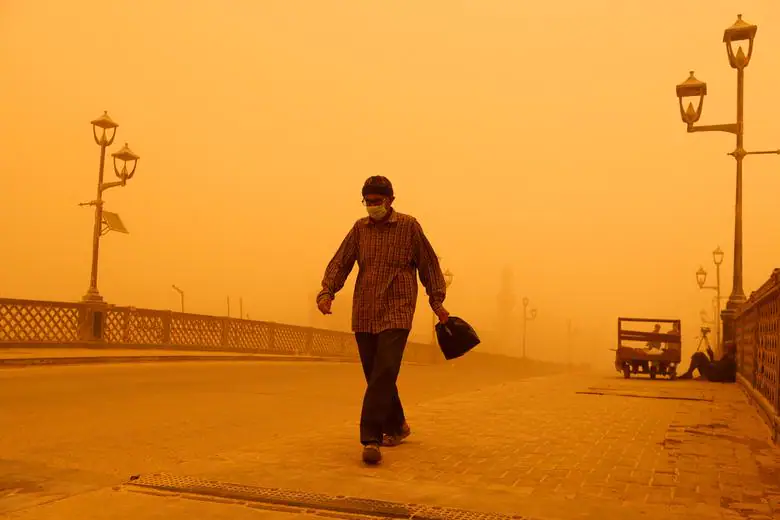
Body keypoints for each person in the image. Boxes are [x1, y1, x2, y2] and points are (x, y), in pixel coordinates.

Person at [316, 175, 449, 465]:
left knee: (385, 370)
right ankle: (398, 424)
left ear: (390, 201)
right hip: (364, 311)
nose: (372, 207)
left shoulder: (409, 227)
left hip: (397, 310)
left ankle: (371, 438)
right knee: (376, 374)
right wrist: (327, 292)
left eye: (377, 201)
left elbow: (429, 264)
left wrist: (436, 301)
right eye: (368, 202)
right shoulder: (359, 230)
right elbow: (341, 262)